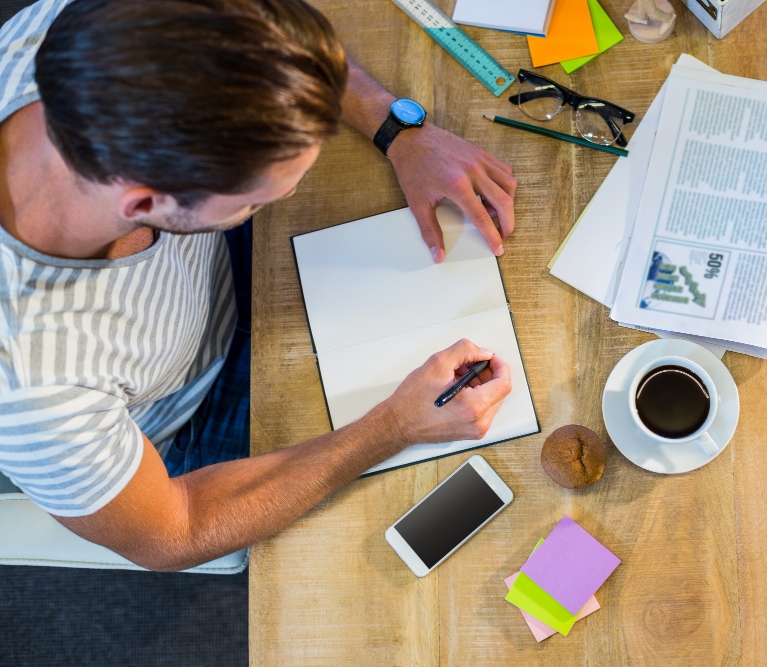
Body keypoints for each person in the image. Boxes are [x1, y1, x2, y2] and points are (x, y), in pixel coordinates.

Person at [0, 0, 515, 571]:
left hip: (213, 275)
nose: (285, 196)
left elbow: (264, 38)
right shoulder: (35, 392)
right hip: (194, 419)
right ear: (144, 205)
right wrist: (395, 426)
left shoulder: (89, 23)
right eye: (261, 198)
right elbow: (174, 532)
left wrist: (395, 129)